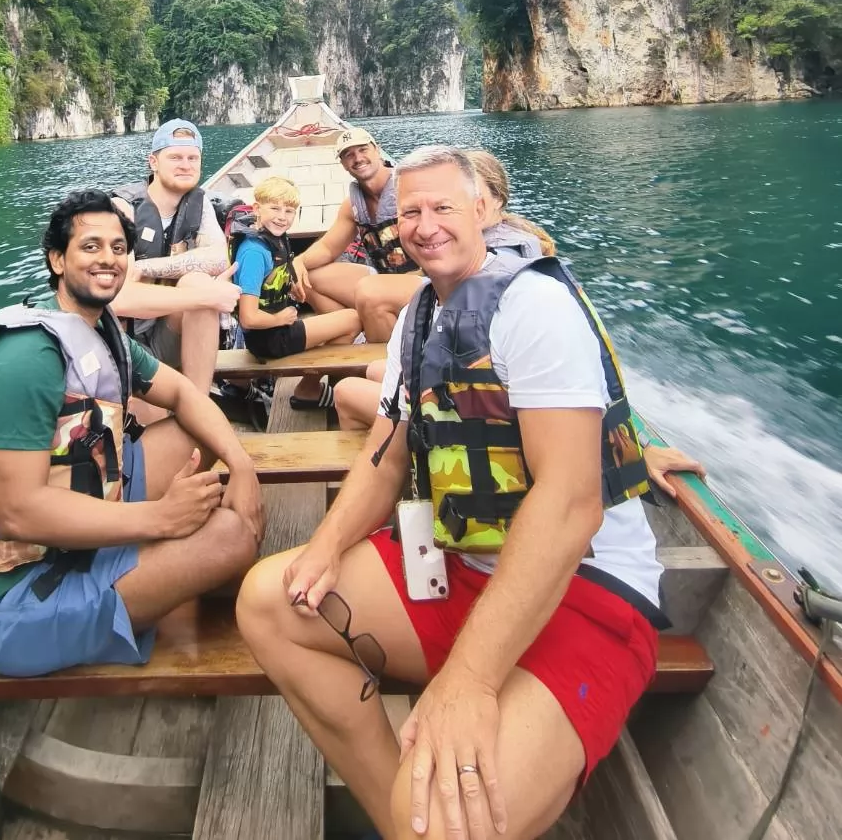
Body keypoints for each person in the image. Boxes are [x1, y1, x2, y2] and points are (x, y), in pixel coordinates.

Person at [238, 145, 668, 840]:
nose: (424, 224)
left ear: (486, 209)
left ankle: (423, 813)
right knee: (269, 600)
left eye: (443, 206)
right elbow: (384, 453)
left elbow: (569, 503)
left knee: (442, 815)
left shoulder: (534, 306)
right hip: (462, 565)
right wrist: (323, 545)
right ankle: (399, 814)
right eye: (410, 211)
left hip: (580, 590)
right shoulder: (418, 317)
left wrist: (466, 682)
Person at [0, 188, 264, 679]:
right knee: (230, 536)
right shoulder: (24, 359)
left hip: (82, 526)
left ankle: (167, 571)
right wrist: (161, 519)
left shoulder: (100, 331)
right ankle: (170, 570)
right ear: (57, 260)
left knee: (198, 436)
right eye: (90, 246)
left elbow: (187, 395)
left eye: (119, 248)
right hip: (12, 599)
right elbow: (19, 514)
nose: (108, 259)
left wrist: (243, 465)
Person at [333, 149, 705, 494]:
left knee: (349, 390)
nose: (435, 221)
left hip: (501, 433)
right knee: (373, 373)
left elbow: (576, 374)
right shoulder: (497, 249)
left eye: (451, 203)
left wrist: (636, 446)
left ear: (487, 203)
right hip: (473, 386)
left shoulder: (514, 272)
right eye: (417, 210)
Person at [288, 127, 423, 408]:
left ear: (377, 149)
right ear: (343, 163)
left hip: (423, 281)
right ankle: (353, 329)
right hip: (381, 278)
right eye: (349, 155)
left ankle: (373, 361)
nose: (357, 158)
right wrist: (297, 261)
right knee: (311, 276)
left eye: (363, 150)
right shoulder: (354, 204)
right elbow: (327, 249)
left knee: (370, 290)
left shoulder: (409, 190)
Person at [111, 120, 240, 398]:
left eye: (193, 157)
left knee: (198, 283)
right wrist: (205, 298)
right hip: (122, 349)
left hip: (165, 336)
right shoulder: (123, 209)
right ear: (154, 162)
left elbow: (220, 258)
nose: (186, 165)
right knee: (203, 292)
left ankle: (198, 403)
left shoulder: (198, 204)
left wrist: (146, 266)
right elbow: (119, 298)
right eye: (175, 157)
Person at [233, 176, 360, 362]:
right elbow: (248, 318)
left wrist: (289, 285)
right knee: (354, 318)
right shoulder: (255, 253)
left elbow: (270, 278)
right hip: (269, 339)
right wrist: (280, 319)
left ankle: (318, 380)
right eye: (274, 208)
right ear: (257, 209)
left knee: (338, 313)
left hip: (274, 329)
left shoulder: (274, 238)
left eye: (289, 211)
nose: (282, 217)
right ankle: (310, 385)